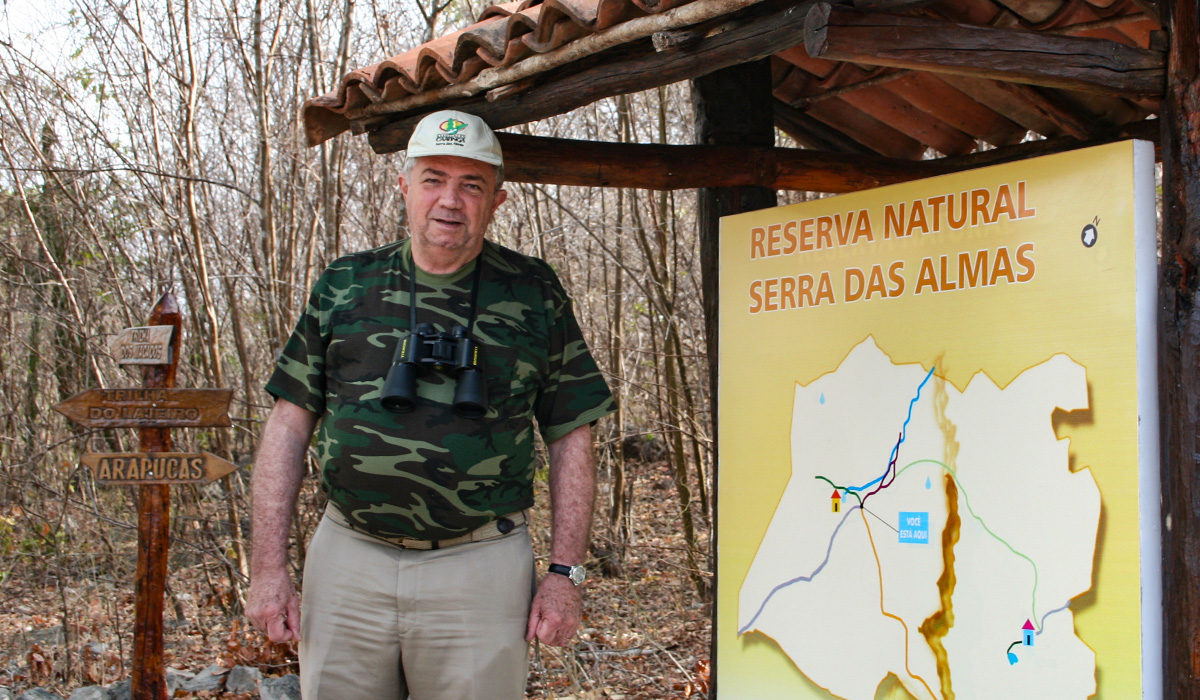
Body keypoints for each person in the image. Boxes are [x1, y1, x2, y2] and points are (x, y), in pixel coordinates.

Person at [246, 109, 616, 700]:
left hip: (481, 559)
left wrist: (564, 573)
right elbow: (287, 428)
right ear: (404, 186)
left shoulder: (532, 292)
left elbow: (572, 433)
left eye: (472, 185)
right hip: (349, 553)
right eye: (434, 178)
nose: (450, 200)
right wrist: (267, 568)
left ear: (497, 201)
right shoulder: (345, 285)